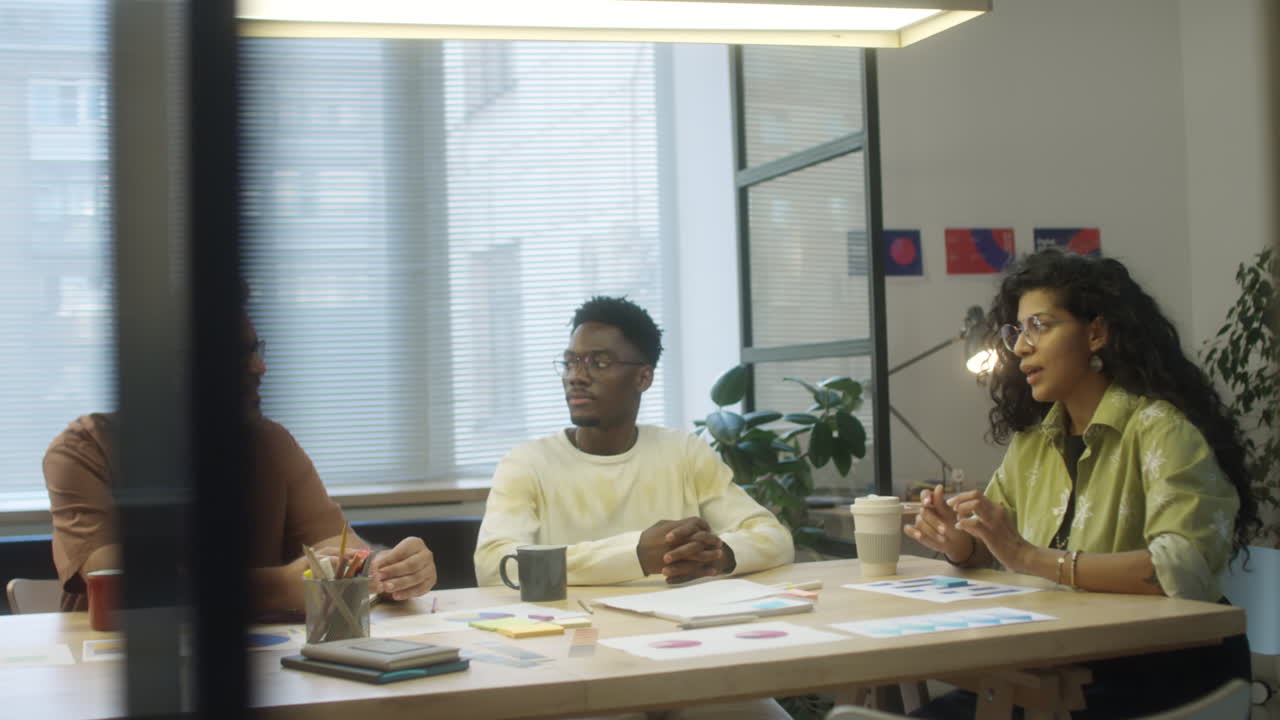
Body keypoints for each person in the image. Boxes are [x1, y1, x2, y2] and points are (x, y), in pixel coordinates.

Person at [905, 249, 1257, 718]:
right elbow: (999, 543)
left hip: (1165, 669)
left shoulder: (1161, 430)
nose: (1021, 347)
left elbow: (1183, 569)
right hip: (1061, 664)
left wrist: (1031, 558)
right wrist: (964, 545)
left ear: (1096, 333)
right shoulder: (1033, 442)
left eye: (1040, 326)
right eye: (1016, 332)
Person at [474, 296, 794, 720]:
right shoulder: (527, 463)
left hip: (684, 650)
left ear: (643, 376)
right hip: (575, 657)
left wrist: (721, 554)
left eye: (598, 362)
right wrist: (635, 555)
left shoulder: (684, 453)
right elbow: (499, 565)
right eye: (570, 362)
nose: (577, 377)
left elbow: (772, 536)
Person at [45, 305, 437, 614]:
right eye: (236, 355)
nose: (259, 368)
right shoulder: (85, 450)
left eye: (256, 349)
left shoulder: (271, 443)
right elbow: (119, 581)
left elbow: (339, 547)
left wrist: (389, 569)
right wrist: (280, 588)